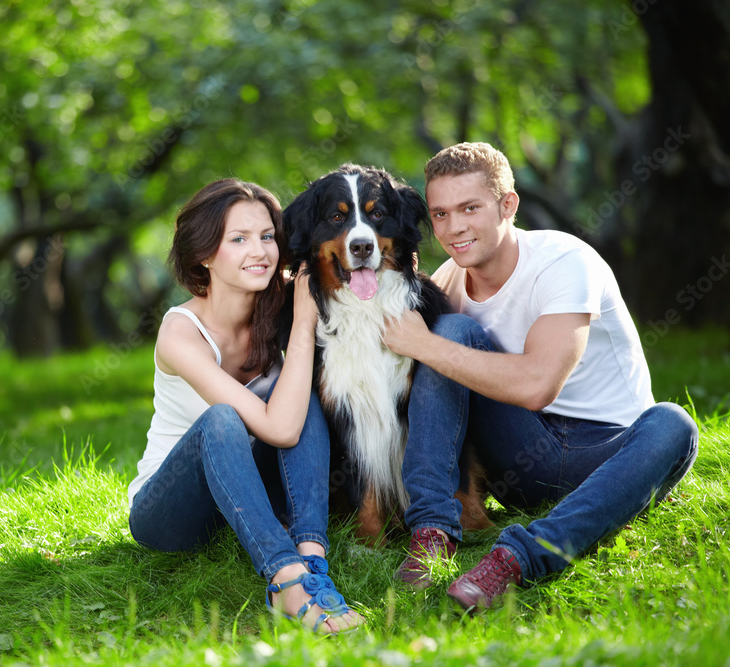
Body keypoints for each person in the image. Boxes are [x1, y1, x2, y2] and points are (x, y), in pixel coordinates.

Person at [383, 142, 698, 612]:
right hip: (519, 460)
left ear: (508, 205)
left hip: (607, 455)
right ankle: (431, 531)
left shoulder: (563, 261)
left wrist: (425, 344)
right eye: (441, 214)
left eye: (471, 208)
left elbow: (536, 386)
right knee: (454, 330)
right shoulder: (449, 279)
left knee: (674, 424)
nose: (454, 228)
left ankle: (516, 558)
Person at [128, 179, 364, 633]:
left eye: (266, 237)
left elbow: (371, 287)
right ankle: (287, 581)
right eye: (238, 240)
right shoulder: (180, 333)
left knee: (299, 395)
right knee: (223, 419)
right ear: (204, 253)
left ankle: (312, 559)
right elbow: (280, 431)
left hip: (249, 497)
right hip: (172, 513)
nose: (259, 251)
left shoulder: (279, 299)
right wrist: (304, 319)